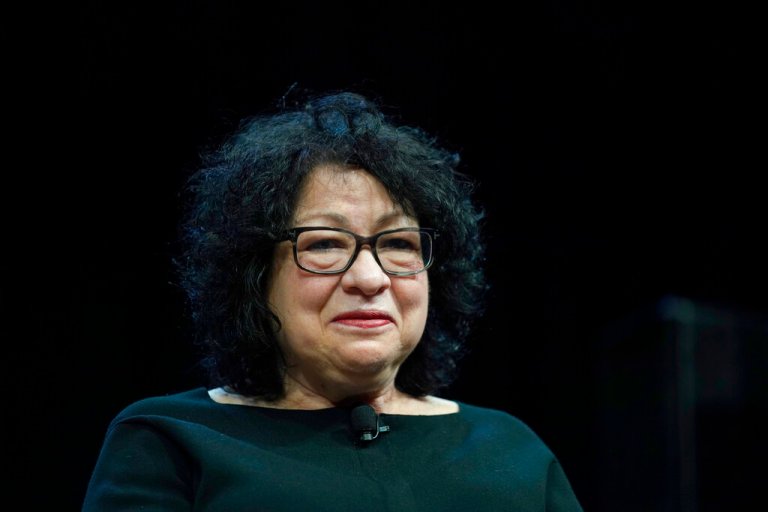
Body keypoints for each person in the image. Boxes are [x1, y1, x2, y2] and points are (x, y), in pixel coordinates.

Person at [82, 90, 584, 511]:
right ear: (254, 274)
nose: (370, 278)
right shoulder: (171, 441)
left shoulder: (512, 452)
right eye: (325, 244)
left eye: (398, 245)